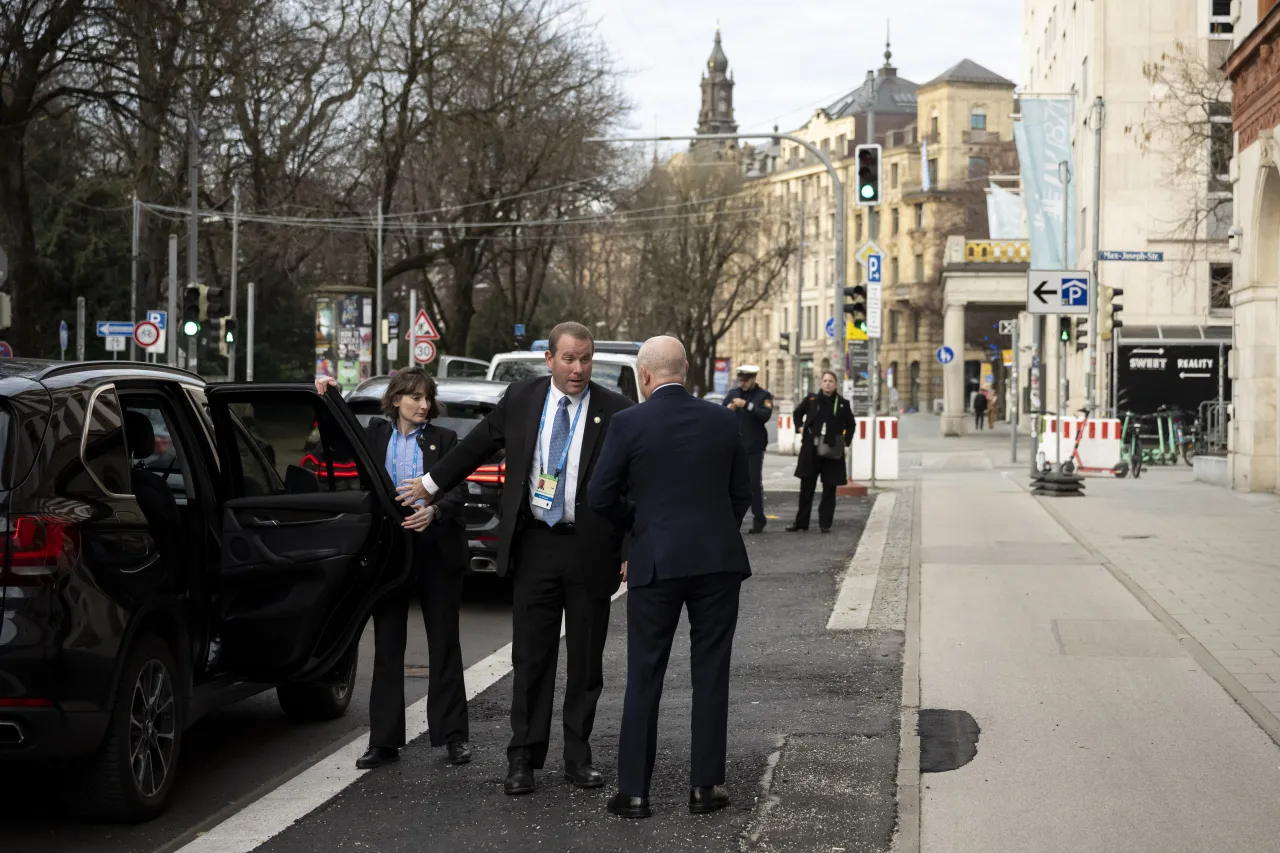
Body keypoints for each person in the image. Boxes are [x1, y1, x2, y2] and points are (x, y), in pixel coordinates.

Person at [395, 322, 633, 796]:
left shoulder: (616, 411)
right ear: (550, 359)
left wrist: (631, 547)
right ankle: (523, 757)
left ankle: (577, 756)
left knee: (585, 662)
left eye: (585, 359)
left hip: (590, 549)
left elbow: (634, 486)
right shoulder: (523, 398)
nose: (578, 369)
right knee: (531, 658)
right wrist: (431, 483)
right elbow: (475, 445)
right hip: (535, 545)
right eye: (569, 359)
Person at [588, 336, 752, 820]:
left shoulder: (628, 422)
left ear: (644, 376)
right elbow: (740, 493)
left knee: (644, 673)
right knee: (711, 672)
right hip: (717, 561)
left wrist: (637, 524)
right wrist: (716, 529)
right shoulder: (723, 419)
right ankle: (704, 788)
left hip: (654, 561)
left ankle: (634, 792)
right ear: (686, 370)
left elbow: (600, 495)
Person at [314, 367, 472, 770]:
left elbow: (459, 491)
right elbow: (334, 444)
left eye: (427, 398)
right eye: (415, 397)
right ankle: (383, 742)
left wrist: (433, 511)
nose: (423, 405)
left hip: (435, 548)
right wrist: (327, 396)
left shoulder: (445, 439)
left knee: (445, 643)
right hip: (390, 551)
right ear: (396, 399)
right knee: (387, 647)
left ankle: (453, 737)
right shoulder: (374, 435)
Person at [786, 371, 855, 534]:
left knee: (829, 489)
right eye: (825, 380)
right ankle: (801, 523)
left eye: (831, 381)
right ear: (821, 383)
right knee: (806, 488)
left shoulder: (842, 403)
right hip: (811, 450)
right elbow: (797, 413)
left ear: (836, 384)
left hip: (832, 451)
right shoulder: (811, 400)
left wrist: (845, 442)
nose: (827, 383)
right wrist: (799, 427)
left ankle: (825, 523)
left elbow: (851, 424)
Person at [722, 365, 773, 534]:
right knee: (730, 484)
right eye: (741, 380)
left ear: (753, 379)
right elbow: (721, 413)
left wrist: (747, 405)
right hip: (734, 446)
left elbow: (765, 415)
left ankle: (759, 519)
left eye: (746, 380)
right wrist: (729, 409)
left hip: (753, 447)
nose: (742, 384)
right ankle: (731, 520)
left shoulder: (763, 395)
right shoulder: (733, 393)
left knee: (753, 485)